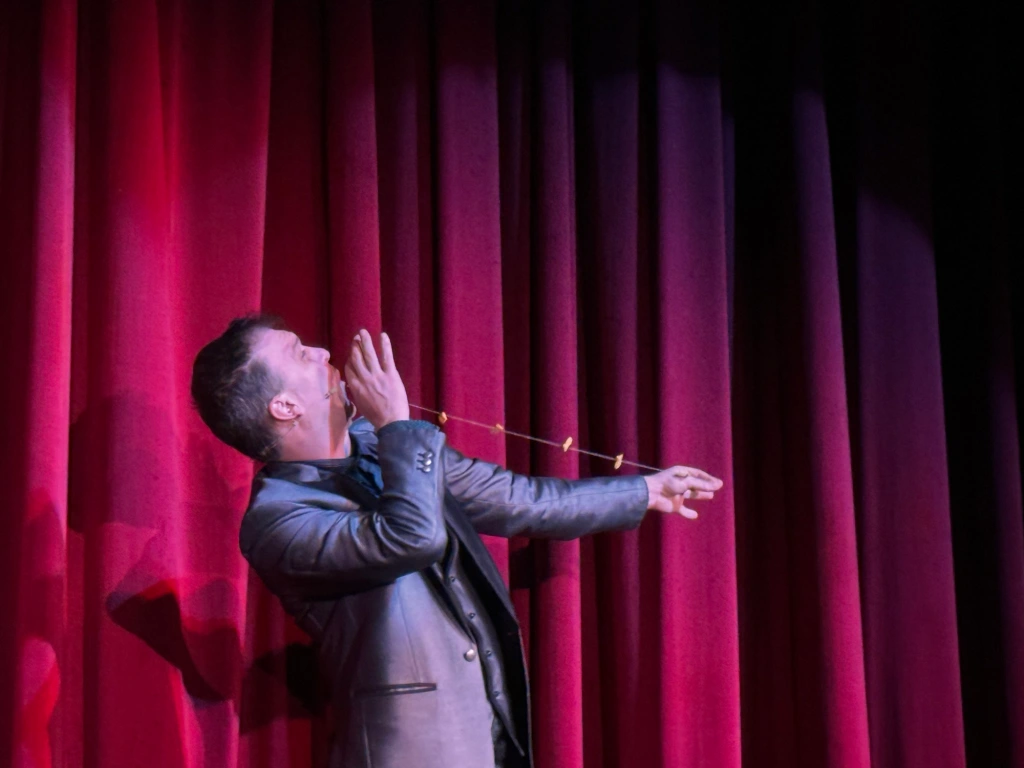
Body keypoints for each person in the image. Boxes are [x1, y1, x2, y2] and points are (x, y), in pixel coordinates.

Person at [190, 314, 723, 768]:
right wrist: (396, 426)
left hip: (486, 727)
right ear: (284, 406)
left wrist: (643, 491)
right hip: (411, 750)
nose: (322, 352)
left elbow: (516, 499)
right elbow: (410, 539)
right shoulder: (277, 521)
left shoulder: (376, 447)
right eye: (299, 353)